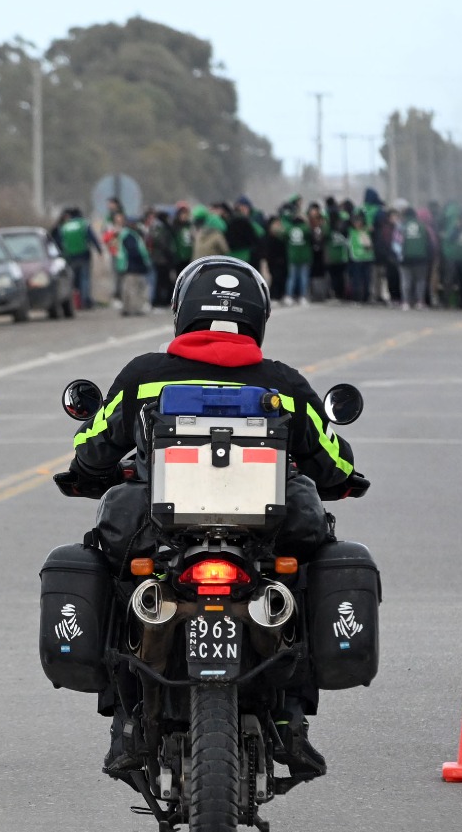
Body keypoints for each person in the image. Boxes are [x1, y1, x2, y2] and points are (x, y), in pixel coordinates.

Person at [60, 256, 364, 777]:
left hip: (163, 535)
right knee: (310, 564)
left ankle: (126, 723)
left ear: (183, 311)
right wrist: (339, 478)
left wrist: (88, 466)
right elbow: (334, 463)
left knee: (113, 571)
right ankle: (291, 719)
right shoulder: (283, 383)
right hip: (261, 541)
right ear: (257, 317)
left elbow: (92, 447)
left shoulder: (144, 377)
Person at [52, 208, 102, 310]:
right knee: (85, 279)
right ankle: (85, 301)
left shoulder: (64, 227)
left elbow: (60, 242)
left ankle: (74, 302)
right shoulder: (84, 224)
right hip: (84, 255)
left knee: (72, 280)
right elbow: (92, 237)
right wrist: (99, 250)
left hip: (70, 257)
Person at [114, 212, 152, 315]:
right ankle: (134, 309)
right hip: (133, 266)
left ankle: (127, 309)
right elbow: (133, 251)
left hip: (127, 266)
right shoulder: (129, 235)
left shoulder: (126, 234)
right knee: (134, 289)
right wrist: (142, 262)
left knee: (127, 288)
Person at [398, 204, 432, 310]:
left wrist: (399, 256)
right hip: (421, 257)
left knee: (406, 280)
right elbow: (429, 242)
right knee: (420, 280)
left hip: (405, 257)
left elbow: (397, 242)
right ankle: (420, 302)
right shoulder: (423, 226)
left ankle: (406, 302)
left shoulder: (401, 226)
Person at [284, 212, 312, 304]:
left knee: (291, 277)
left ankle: (289, 296)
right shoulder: (305, 229)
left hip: (292, 257)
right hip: (304, 257)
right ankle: (302, 296)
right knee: (303, 277)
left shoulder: (289, 229)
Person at [348, 214, 375, 303]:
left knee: (367, 279)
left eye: (359, 222)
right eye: (356, 222)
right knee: (357, 279)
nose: (358, 224)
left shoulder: (366, 231)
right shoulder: (351, 232)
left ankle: (366, 297)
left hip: (367, 258)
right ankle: (357, 297)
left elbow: (369, 245)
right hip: (356, 258)